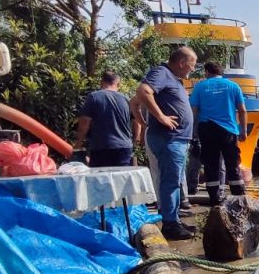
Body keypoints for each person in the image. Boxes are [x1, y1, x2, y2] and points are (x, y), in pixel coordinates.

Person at [134, 46, 197, 240]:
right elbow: (142, 92)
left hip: (176, 139)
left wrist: (142, 121)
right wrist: (161, 117)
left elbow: (133, 102)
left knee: (174, 181)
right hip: (169, 139)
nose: (192, 70)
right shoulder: (161, 73)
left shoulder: (171, 78)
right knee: (170, 182)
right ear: (182, 62)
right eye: (192, 65)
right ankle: (169, 225)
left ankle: (174, 220)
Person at [190, 61, 248, 206]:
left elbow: (194, 111)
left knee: (211, 165)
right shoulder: (233, 86)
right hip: (228, 131)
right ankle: (239, 198)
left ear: (207, 72)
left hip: (207, 130)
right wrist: (243, 131)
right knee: (232, 164)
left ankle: (215, 200)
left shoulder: (200, 87)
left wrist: (193, 133)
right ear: (221, 72)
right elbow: (242, 110)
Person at [72, 71, 138, 167]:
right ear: (118, 83)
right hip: (123, 147)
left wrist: (78, 143)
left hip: (101, 147)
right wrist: (133, 142)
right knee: (121, 178)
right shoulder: (126, 99)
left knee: (100, 179)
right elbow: (137, 123)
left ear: (101, 82)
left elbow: (85, 122)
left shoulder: (94, 97)